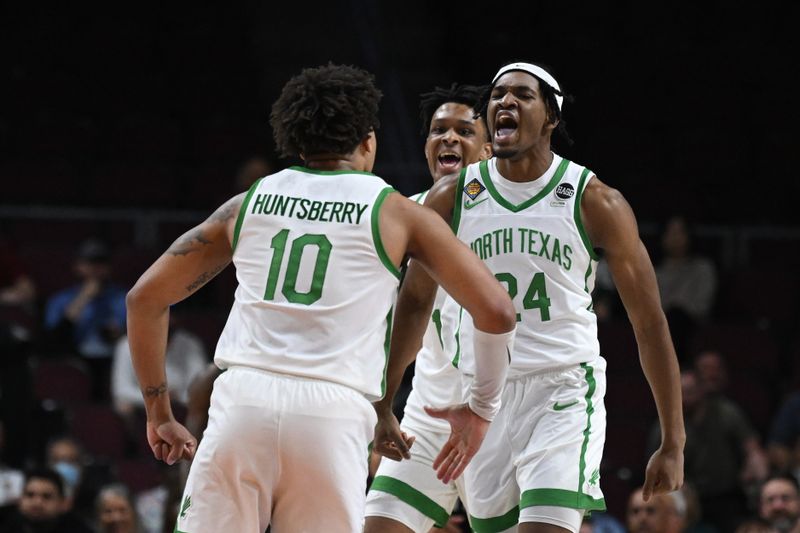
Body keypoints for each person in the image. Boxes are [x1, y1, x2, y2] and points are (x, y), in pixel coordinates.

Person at [125, 63, 516, 533]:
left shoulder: (250, 202)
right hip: (333, 415)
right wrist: (481, 407)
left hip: (243, 402)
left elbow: (144, 299)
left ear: (293, 138)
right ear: (368, 141)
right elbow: (496, 311)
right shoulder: (398, 212)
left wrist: (158, 413)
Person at [374, 61, 685, 533]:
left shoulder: (594, 200)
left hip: (558, 390)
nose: (505, 103)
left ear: (552, 118)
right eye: (497, 96)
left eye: (522, 95)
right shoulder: (452, 197)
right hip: (478, 395)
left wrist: (673, 439)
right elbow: (413, 302)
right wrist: (383, 400)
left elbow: (649, 324)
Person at [364, 83, 492, 533]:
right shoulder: (402, 215)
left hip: (498, 415)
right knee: (378, 525)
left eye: (464, 131)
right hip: (427, 411)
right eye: (439, 130)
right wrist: (382, 405)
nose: (449, 139)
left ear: (489, 148)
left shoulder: (511, 215)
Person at [647, 369, 767, 531]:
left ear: (702, 390)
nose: (685, 397)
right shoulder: (665, 424)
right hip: (687, 494)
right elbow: (655, 468)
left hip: (728, 493)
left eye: (689, 391)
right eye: (679, 392)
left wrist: (754, 470)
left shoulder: (725, 412)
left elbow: (752, 448)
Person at [44, 238, 127, 400]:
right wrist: (85, 297)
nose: (95, 269)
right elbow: (53, 340)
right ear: (78, 266)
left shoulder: (123, 297)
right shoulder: (61, 299)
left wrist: (119, 333)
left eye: (100, 263)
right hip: (76, 358)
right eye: (89, 263)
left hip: (112, 360)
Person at [654, 215, 717, 359]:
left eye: (680, 232)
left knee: (677, 319)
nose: (675, 238)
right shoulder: (653, 272)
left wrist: (679, 310)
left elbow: (703, 305)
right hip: (660, 328)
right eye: (671, 232)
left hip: (692, 327)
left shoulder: (703, 268)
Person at [0, 466, 93, 533]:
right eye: (30, 495)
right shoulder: (5, 525)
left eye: (47, 496)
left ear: (64, 504)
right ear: (19, 500)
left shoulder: (79, 529)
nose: (37, 503)